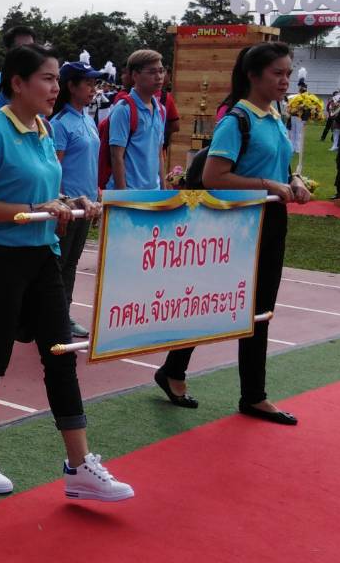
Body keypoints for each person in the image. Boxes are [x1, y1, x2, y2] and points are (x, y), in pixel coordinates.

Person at [0, 43, 133, 501]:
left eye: (55, 80)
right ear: (17, 83)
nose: (55, 88)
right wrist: (33, 208)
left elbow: (46, 195)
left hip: (41, 254)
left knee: (60, 354)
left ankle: (79, 466)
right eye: (47, 79)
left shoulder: (42, 128)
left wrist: (70, 203)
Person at [151, 41, 312, 423]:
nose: (285, 80)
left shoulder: (274, 116)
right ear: (253, 75)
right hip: (237, 226)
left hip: (271, 221)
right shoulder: (236, 120)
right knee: (215, 302)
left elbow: (277, 166)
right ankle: (176, 371)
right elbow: (214, 176)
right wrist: (268, 185)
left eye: (288, 73)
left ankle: (252, 395)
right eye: (277, 73)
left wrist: (293, 179)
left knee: (260, 310)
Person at [49, 60, 101, 338]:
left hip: (87, 205)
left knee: (71, 264)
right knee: (59, 264)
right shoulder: (60, 124)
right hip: (68, 206)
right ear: (71, 86)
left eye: (95, 83)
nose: (93, 89)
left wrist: (95, 193)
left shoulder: (88, 120)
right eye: (88, 83)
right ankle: (53, 317)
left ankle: (62, 315)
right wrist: (62, 202)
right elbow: (54, 167)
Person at [105, 49, 167, 190]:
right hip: (131, 193)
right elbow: (116, 157)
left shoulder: (160, 109)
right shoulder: (123, 109)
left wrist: (163, 191)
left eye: (161, 71)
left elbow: (159, 154)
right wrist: (124, 197)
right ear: (135, 75)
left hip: (154, 193)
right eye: (152, 72)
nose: (159, 77)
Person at [0, 25, 38, 117]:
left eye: (32, 48)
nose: (29, 53)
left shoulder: (35, 80)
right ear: (9, 51)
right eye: (23, 48)